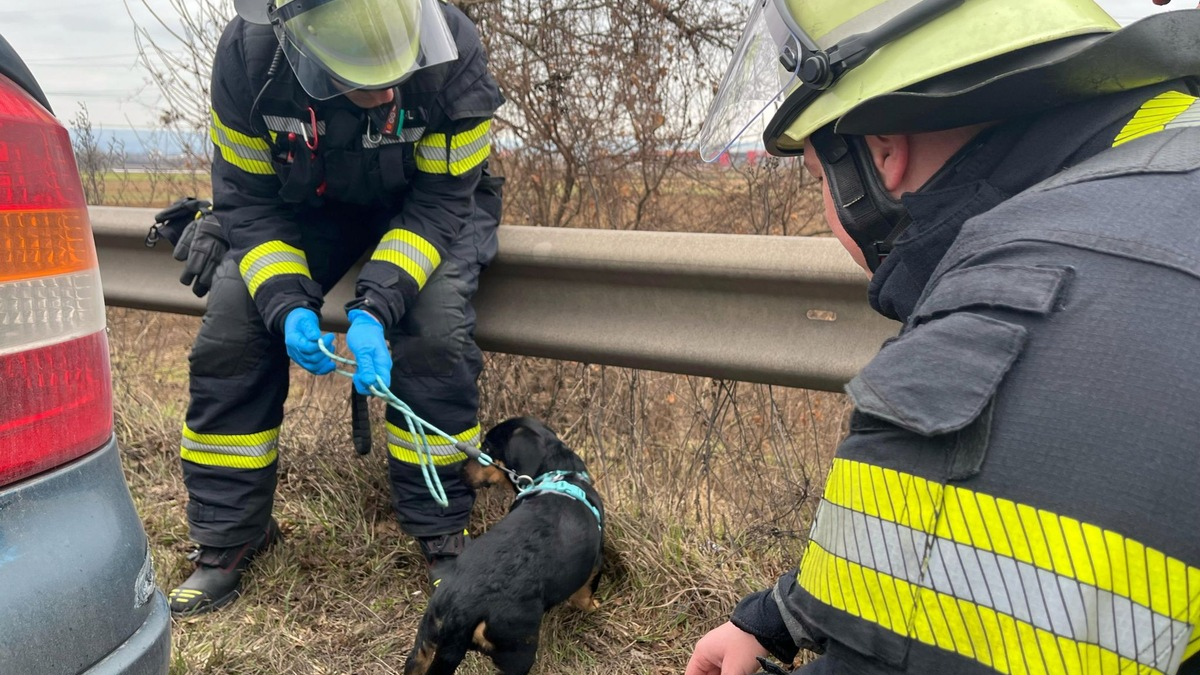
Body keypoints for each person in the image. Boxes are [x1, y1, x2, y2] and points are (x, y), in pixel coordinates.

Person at [688, 1, 1200, 674]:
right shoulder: (1161, 165)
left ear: (882, 152)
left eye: (820, 180)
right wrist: (784, 615)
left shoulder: (1024, 327)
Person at [166, 0, 504, 616]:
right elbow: (248, 201)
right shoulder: (249, 59)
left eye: (391, 76)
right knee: (235, 324)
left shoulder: (453, 54)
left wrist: (376, 309)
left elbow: (439, 205)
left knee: (435, 329)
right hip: (305, 207)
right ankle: (229, 539)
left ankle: (442, 536)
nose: (381, 97)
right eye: (359, 79)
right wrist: (287, 305)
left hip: (426, 210)